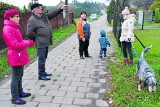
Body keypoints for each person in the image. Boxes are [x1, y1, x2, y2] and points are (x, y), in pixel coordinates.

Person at [26, 3, 67, 80]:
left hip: (46, 42)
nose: (41, 9)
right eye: (39, 8)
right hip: (40, 43)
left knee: (44, 58)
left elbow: (52, 14)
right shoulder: (32, 20)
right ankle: (41, 75)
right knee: (41, 59)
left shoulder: (43, 16)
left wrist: (61, 9)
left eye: (40, 7)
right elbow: (28, 33)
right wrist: (36, 39)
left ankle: (43, 72)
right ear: (34, 10)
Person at [2, 9, 35, 105]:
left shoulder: (14, 27)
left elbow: (19, 42)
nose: (19, 18)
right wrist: (28, 43)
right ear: (10, 18)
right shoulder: (8, 29)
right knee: (16, 77)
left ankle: (20, 93)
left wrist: (26, 42)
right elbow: (15, 45)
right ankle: (14, 98)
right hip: (15, 55)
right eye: (17, 16)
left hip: (19, 54)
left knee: (20, 75)